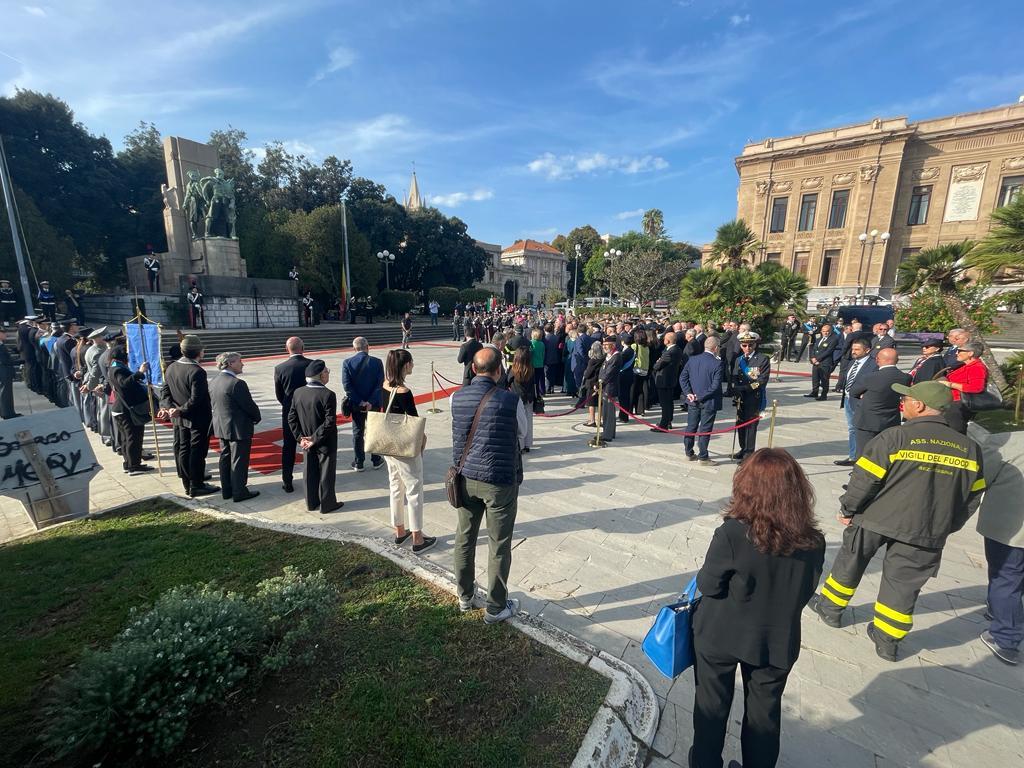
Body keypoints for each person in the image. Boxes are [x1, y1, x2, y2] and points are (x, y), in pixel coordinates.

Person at [811, 380, 985, 661]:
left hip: (876, 517)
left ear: (919, 405)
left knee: (850, 562)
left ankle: (830, 608)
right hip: (926, 529)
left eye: (907, 399)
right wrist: (946, 525)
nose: (902, 403)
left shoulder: (894, 438)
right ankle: (887, 639)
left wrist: (848, 509)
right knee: (904, 583)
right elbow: (972, 497)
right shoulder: (969, 449)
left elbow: (864, 481)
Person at [691, 448, 825, 768]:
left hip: (721, 635)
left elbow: (708, 585)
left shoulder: (733, 534)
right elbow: (805, 592)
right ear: (797, 492)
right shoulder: (814, 542)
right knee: (764, 716)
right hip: (777, 641)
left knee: (711, 709)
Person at [450, 347, 527, 624]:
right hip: (499, 481)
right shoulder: (511, 400)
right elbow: (523, 433)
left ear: (473, 369)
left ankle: (464, 594)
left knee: (465, 537)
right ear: (499, 371)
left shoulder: (455, 397)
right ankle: (495, 607)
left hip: (465, 477)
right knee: (499, 543)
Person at [971, 424, 1024, 665]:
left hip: (1010, 527)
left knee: (1006, 577)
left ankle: (1006, 639)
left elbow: (982, 478)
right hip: (1011, 527)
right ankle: (1001, 610)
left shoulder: (1009, 442)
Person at [380, 348, 435, 553]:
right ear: (405, 366)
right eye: (411, 362)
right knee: (413, 490)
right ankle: (418, 538)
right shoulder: (404, 392)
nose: (413, 365)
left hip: (388, 444)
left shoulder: (385, 385)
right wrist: (423, 441)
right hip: (404, 446)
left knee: (395, 487)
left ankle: (399, 530)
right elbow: (414, 422)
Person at [160, 334, 218, 498]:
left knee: (184, 450)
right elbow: (196, 399)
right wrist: (179, 410)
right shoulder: (197, 371)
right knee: (197, 452)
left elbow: (165, 393)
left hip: (179, 417)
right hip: (195, 418)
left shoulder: (171, 367)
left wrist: (170, 408)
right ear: (199, 351)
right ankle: (196, 485)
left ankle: (189, 482)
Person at [288, 360, 343, 513]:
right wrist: (314, 438)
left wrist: (301, 438)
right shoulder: (327, 394)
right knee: (326, 473)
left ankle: (311, 503)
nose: (328, 374)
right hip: (325, 441)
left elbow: (291, 418)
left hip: (306, 441)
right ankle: (328, 504)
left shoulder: (298, 392)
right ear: (320, 375)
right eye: (326, 371)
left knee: (309, 471)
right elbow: (329, 421)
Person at [210, 352, 261, 502]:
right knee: (239, 460)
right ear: (230, 364)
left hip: (221, 425)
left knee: (225, 458)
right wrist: (256, 417)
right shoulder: (236, 383)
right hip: (238, 427)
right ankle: (239, 491)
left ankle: (227, 490)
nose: (242, 364)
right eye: (240, 361)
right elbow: (248, 406)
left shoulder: (214, 380)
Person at [849, 347, 910, 458]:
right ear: (897, 360)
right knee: (884, 453)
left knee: (864, 453)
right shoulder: (905, 378)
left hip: (867, 421)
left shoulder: (870, 377)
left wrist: (864, 395)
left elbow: (853, 392)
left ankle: (861, 474)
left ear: (877, 360)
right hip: (890, 420)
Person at [108, 347, 154, 476]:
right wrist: (140, 372)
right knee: (133, 437)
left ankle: (129, 463)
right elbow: (124, 383)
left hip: (122, 408)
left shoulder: (115, 367)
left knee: (126, 438)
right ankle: (134, 465)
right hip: (125, 409)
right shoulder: (117, 369)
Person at [342, 337, 386, 472]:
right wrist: (371, 402)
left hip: (356, 404)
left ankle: (359, 461)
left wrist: (360, 401)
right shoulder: (377, 362)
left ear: (354, 348)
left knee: (357, 432)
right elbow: (380, 384)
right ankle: (376, 459)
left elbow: (347, 386)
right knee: (375, 431)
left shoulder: (347, 362)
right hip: (374, 404)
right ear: (368, 347)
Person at [273, 337, 310, 493]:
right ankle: (311, 479)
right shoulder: (311, 364)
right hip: (308, 411)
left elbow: (279, 394)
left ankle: (287, 481)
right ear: (303, 347)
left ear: (286, 348)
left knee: (289, 446)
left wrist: (288, 406)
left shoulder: (280, 368)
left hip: (289, 412)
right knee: (310, 445)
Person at [679, 336, 723, 465]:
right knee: (705, 429)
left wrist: (689, 394)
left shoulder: (693, 360)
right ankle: (703, 457)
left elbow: (683, 378)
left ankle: (688, 452)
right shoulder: (717, 363)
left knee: (691, 426)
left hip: (693, 400)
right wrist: (699, 396)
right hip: (708, 401)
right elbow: (715, 386)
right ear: (715, 348)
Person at [834, 339, 876, 467]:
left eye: (857, 349)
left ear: (867, 350)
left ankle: (861, 459)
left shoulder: (874, 365)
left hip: (861, 402)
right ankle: (853, 456)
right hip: (848, 399)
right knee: (852, 428)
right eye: (853, 349)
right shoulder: (852, 362)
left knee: (860, 430)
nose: (854, 352)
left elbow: (875, 383)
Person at [732, 332, 770, 462]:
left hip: (754, 398)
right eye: (744, 345)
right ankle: (743, 448)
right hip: (741, 398)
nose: (747, 348)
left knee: (750, 426)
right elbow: (735, 376)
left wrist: (746, 388)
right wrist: (736, 389)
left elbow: (762, 380)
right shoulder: (739, 359)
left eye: (750, 345)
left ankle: (749, 454)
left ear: (755, 344)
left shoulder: (762, 359)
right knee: (741, 424)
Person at [940, 340, 989, 433]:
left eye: (960, 351)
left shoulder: (977, 367)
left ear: (970, 353)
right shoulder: (967, 366)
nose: (956, 353)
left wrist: (949, 384)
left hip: (960, 404)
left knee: (955, 432)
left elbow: (976, 387)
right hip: (954, 402)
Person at [652, 331, 684, 431]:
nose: (663, 340)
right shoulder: (676, 349)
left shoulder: (670, 352)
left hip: (665, 381)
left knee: (665, 404)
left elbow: (657, 366)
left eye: (665, 338)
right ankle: (668, 421)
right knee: (669, 403)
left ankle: (663, 425)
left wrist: (657, 362)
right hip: (670, 380)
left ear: (668, 340)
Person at [507, 346, 536, 451]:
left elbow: (507, 381)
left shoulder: (513, 369)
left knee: (519, 422)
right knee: (528, 421)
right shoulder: (531, 369)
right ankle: (528, 444)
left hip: (516, 398)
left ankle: (521, 444)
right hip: (529, 397)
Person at [595, 336, 621, 444]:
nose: (604, 347)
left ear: (613, 345)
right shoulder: (608, 356)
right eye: (604, 345)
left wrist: (600, 382)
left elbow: (609, 373)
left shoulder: (616, 357)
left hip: (610, 386)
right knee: (605, 411)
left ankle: (608, 434)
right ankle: (608, 431)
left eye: (607, 345)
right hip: (605, 386)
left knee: (609, 412)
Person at [806, 323, 839, 401]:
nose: (825, 333)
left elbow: (828, 351)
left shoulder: (833, 340)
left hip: (825, 363)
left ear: (830, 331)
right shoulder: (818, 339)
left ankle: (824, 395)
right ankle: (814, 392)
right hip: (815, 362)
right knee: (815, 378)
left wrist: (817, 359)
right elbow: (813, 349)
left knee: (824, 380)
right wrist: (812, 358)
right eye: (824, 331)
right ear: (821, 331)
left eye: (827, 331)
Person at [581, 339, 605, 428]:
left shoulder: (592, 361)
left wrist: (585, 373)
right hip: (600, 382)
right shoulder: (603, 358)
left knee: (591, 403)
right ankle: (601, 420)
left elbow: (588, 374)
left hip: (591, 383)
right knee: (600, 403)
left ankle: (592, 420)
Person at [0, 328, 20, 419]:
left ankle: (7, 411)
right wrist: (16, 361)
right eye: (3, 332)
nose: (5, 334)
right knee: (5, 393)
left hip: (5, 370)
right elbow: (4, 360)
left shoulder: (1, 344)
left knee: (6, 393)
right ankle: (7, 413)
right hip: (4, 371)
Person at [630, 329, 649, 416]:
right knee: (640, 390)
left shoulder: (634, 346)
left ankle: (630, 409)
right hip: (645, 370)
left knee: (632, 390)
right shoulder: (647, 347)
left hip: (636, 369)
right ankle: (640, 409)